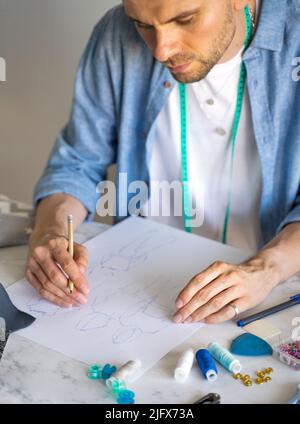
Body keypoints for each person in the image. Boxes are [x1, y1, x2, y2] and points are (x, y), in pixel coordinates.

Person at [26, 0, 300, 325]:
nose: (161, 51)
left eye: (185, 19)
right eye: (143, 26)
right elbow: (77, 163)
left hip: (268, 302)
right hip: (135, 293)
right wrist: (50, 232)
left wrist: (267, 269)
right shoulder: (115, 33)